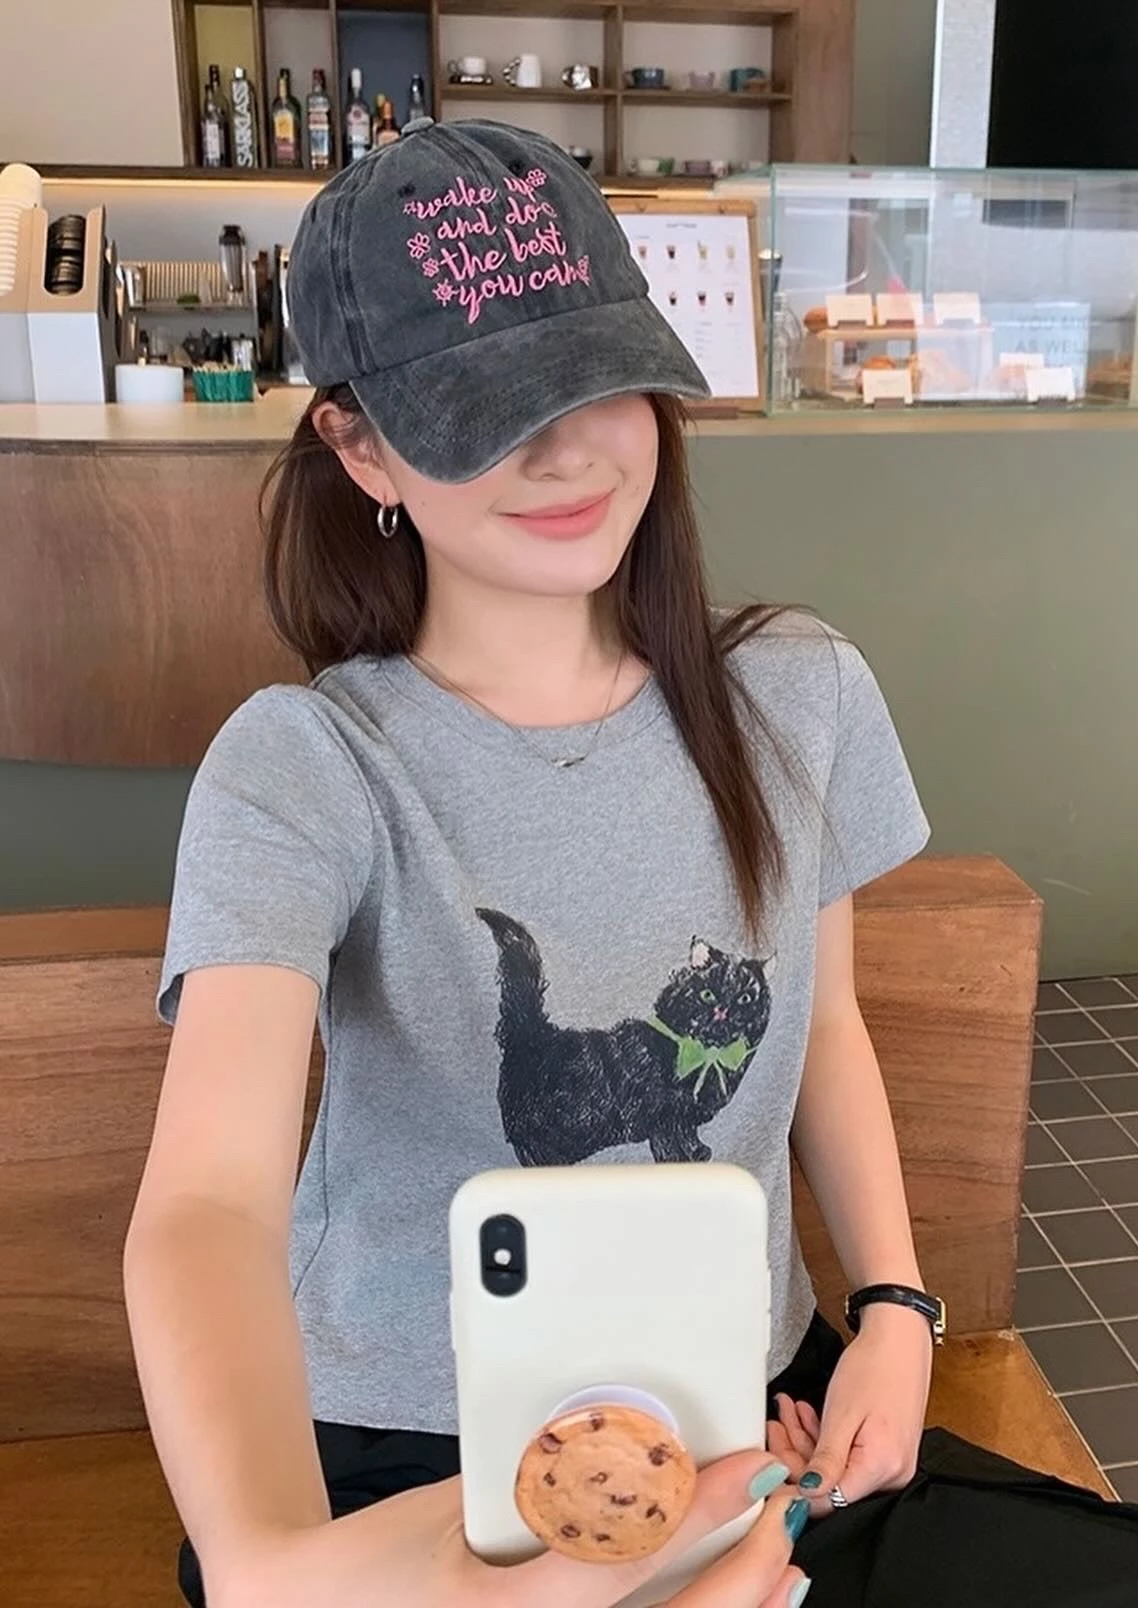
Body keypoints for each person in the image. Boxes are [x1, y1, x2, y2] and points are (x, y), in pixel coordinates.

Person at [123, 119, 933, 1608]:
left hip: (746, 1400)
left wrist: (894, 1305)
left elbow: (824, 1026)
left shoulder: (799, 692)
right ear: (359, 445)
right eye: (484, 408)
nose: (563, 450)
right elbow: (209, 1202)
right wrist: (262, 1557)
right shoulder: (304, 763)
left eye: (595, 380)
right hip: (408, 1442)